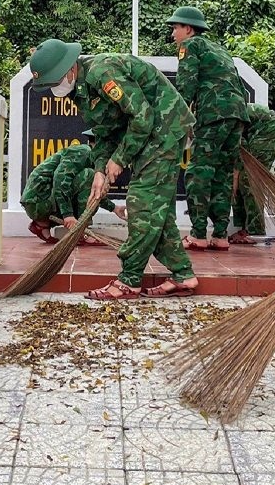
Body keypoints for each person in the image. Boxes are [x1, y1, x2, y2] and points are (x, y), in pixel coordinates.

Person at [27, 39, 198, 300]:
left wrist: (119, 159)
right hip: (149, 134)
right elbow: (105, 133)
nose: (53, 89)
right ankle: (183, 275)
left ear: (70, 68)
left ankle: (129, 281)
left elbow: (142, 117)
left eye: (53, 81)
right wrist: (99, 170)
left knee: (142, 202)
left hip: (165, 128)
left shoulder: (102, 73)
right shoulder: (79, 91)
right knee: (155, 211)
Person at [167, 6, 248, 251]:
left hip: (214, 114)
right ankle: (221, 235)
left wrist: (178, 121)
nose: (173, 34)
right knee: (222, 174)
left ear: (188, 29)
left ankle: (198, 234)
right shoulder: (220, 49)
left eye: (175, 28)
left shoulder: (190, 46)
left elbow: (186, 86)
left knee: (198, 172)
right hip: (237, 115)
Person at [21, 134, 110, 245]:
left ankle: (42, 225)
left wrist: (114, 208)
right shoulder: (84, 152)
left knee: (93, 180)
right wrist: (68, 215)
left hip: (38, 203)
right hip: (39, 202)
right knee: (90, 175)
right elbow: (60, 180)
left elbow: (93, 191)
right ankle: (80, 233)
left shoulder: (91, 159)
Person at [229, 102, 275, 244]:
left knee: (249, 179)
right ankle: (246, 228)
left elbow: (240, 146)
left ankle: (255, 231)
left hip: (269, 129)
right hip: (256, 131)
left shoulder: (225, 116)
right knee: (242, 179)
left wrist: (235, 176)